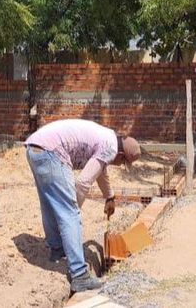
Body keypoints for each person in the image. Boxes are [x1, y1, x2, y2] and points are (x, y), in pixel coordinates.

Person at [24, 119, 141, 292]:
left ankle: (57, 250)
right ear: (121, 156)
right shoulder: (110, 148)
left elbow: (100, 170)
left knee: (49, 204)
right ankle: (79, 275)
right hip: (52, 151)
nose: (120, 165)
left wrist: (109, 197)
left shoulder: (107, 138)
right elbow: (83, 183)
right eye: (123, 163)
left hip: (35, 148)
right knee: (69, 212)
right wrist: (72, 209)